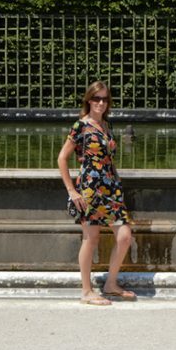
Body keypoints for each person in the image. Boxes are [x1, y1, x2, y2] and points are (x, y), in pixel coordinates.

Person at [57, 81, 136, 305]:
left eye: (105, 99)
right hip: (90, 189)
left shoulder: (106, 125)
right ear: (89, 100)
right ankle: (86, 291)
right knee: (91, 238)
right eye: (96, 98)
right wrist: (72, 191)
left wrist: (116, 185)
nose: (101, 103)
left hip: (111, 189)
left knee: (124, 236)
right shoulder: (80, 126)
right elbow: (62, 158)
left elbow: (108, 159)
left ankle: (110, 284)